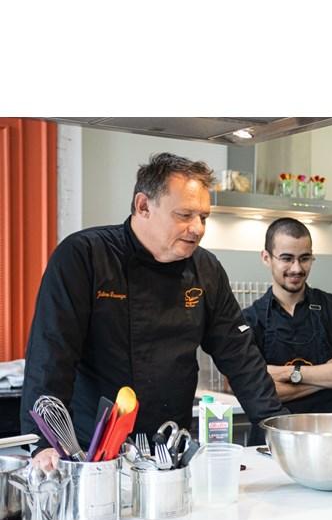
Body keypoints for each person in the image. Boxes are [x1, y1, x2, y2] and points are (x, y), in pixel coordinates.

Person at [21, 152, 288, 468]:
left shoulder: (206, 268)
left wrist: (279, 430)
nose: (197, 228)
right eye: (185, 215)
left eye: (204, 216)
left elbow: (239, 355)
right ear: (143, 206)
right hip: (92, 455)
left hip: (170, 450)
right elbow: (52, 353)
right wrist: (42, 443)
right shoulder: (85, 256)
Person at [241, 217, 332, 427]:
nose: (296, 268)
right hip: (269, 443)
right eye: (287, 258)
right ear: (266, 258)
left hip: (325, 437)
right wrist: (327, 380)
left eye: (304, 258)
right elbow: (255, 391)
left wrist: (284, 373)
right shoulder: (251, 318)